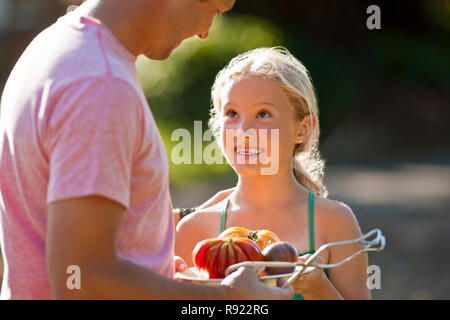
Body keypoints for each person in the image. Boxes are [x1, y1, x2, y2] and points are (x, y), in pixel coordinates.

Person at [0, 0, 294, 300]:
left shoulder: (53, 46)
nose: (206, 32)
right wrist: (226, 298)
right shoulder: (100, 84)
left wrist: (158, 269)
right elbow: (79, 278)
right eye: (214, 9)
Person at [175, 47, 371, 300]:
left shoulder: (334, 221)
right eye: (232, 114)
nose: (244, 130)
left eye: (263, 114)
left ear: (302, 129)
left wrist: (316, 287)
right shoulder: (194, 229)